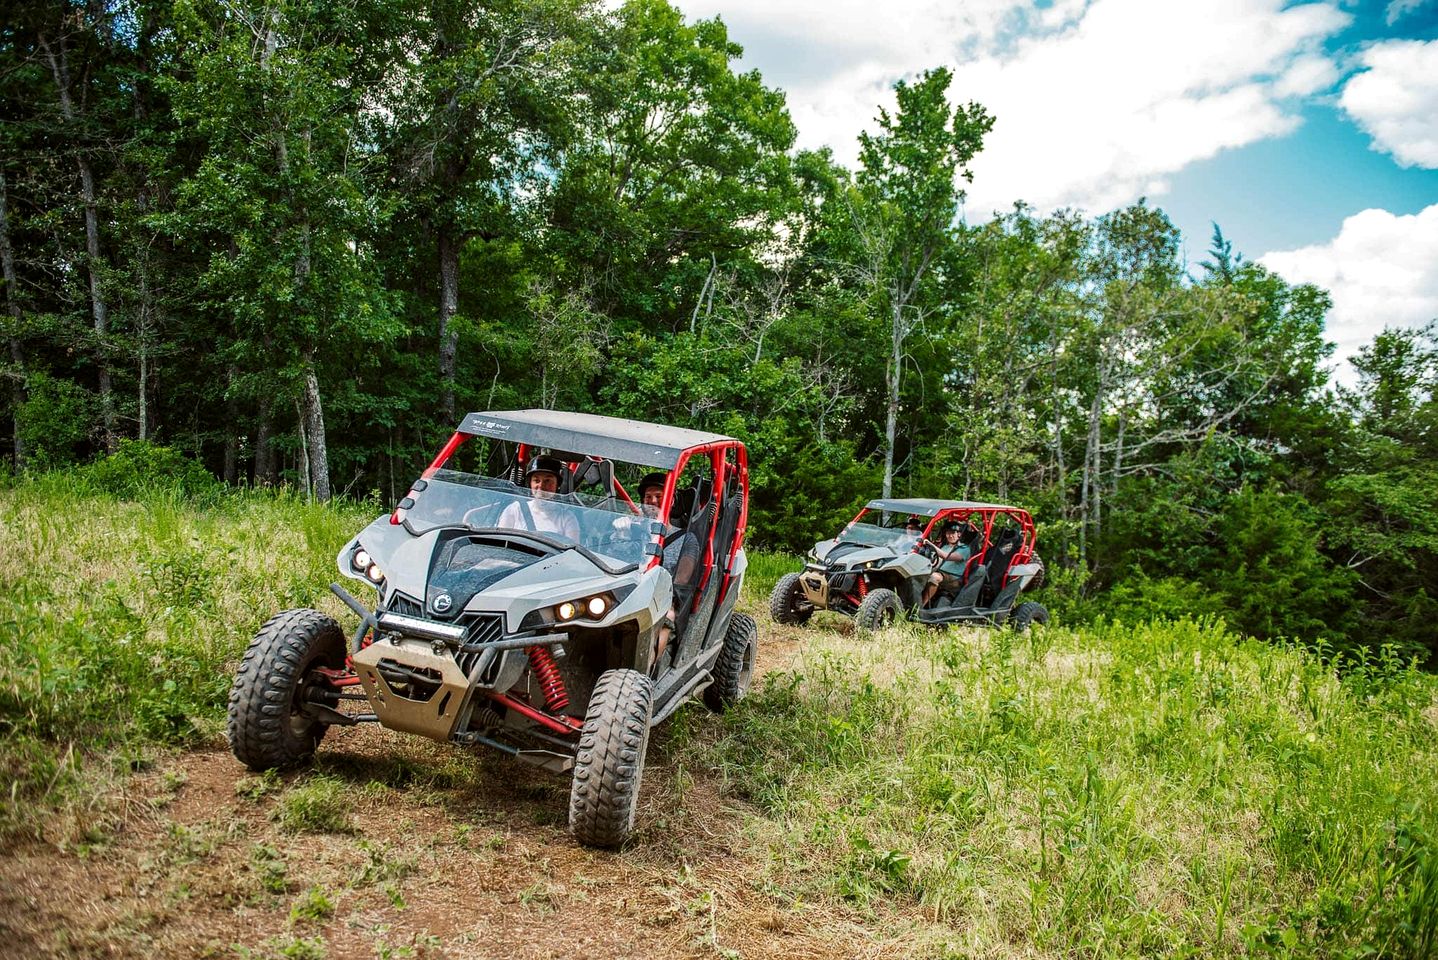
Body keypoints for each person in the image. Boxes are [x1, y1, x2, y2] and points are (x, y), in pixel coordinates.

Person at [496, 455, 580, 540]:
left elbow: (571, 551)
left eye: (548, 481)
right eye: (536, 480)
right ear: (530, 484)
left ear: (557, 484)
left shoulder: (567, 518)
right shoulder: (514, 510)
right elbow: (499, 543)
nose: (541, 486)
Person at [923, 521, 975, 606]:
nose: (950, 536)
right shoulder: (945, 546)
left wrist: (930, 544)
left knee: (934, 578)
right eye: (948, 533)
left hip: (953, 578)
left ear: (959, 534)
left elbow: (946, 556)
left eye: (953, 533)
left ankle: (921, 606)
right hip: (938, 571)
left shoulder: (964, 549)